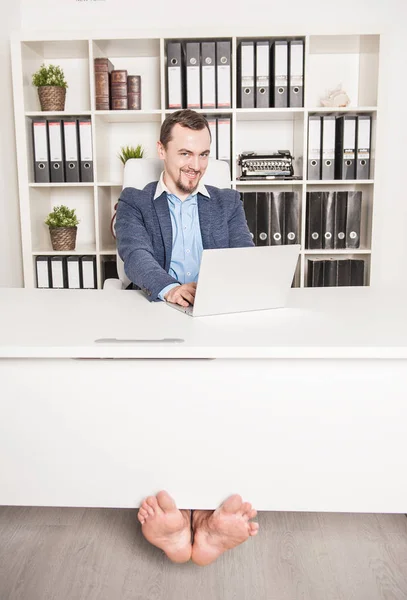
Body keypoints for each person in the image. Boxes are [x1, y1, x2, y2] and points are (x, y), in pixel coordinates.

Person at [115, 109, 258, 566]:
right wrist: (170, 288)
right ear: (161, 151)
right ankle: (199, 525)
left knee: (220, 395)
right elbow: (134, 253)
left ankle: (190, 527)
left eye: (203, 155)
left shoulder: (226, 201)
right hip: (159, 314)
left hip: (214, 318)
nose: (195, 166)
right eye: (184, 154)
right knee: (174, 396)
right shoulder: (136, 200)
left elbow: (244, 254)